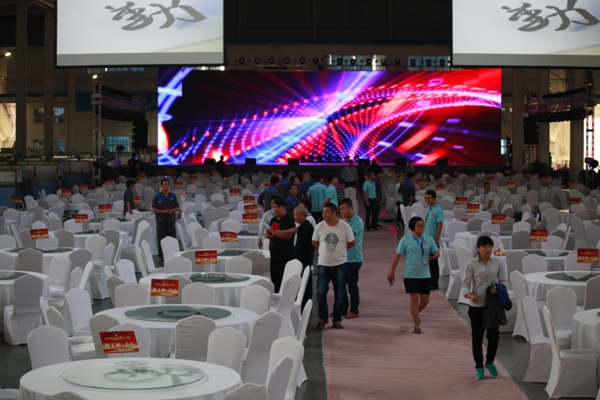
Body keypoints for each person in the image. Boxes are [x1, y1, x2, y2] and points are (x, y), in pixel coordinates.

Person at [462, 235, 506, 379]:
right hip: (476, 306)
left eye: (490, 246)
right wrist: (469, 295)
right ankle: (479, 367)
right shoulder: (472, 264)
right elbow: (465, 283)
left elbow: (503, 281)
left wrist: (497, 289)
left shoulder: (498, 263)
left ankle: (490, 361)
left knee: (494, 336)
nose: (488, 249)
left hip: (492, 306)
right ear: (478, 248)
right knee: (477, 337)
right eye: (484, 247)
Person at [387, 216, 439, 334]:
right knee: (414, 299)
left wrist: (435, 255)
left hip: (425, 274)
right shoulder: (405, 240)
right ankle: (416, 325)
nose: (422, 228)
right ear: (412, 227)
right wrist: (392, 272)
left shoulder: (428, 238)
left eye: (423, 225)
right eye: (419, 226)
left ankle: (414, 313)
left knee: (425, 300)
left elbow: (436, 252)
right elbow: (397, 256)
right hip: (410, 274)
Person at [312, 203, 355, 330]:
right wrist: (325, 249)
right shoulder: (319, 226)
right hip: (323, 265)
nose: (324, 214)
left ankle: (337, 319)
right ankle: (323, 318)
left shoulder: (344, 226)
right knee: (320, 292)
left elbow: (351, 242)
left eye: (327, 212)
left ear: (334, 213)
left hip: (340, 265)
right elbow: (314, 241)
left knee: (340, 294)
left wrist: (339, 251)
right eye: (323, 212)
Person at [264, 198, 296, 292]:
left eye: (278, 207)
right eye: (274, 207)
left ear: (284, 208)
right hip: (274, 254)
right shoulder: (273, 219)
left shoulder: (288, 220)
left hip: (284, 255)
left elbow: (288, 236)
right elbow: (269, 232)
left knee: (284, 279)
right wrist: (267, 235)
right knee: (275, 279)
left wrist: (274, 233)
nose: (275, 209)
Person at [339, 198, 363, 319]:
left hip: (354, 259)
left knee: (352, 285)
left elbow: (348, 236)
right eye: (340, 209)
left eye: (344, 209)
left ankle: (354, 310)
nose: (342, 211)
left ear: (350, 208)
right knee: (341, 285)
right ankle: (343, 309)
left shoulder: (357, 221)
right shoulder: (344, 221)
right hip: (343, 258)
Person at [291, 205, 315, 308]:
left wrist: (278, 232)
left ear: (302, 215)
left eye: (295, 215)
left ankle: (306, 300)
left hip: (305, 258)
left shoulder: (307, 226)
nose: (294, 217)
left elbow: (294, 231)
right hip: (300, 257)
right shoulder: (303, 226)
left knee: (306, 279)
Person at [152, 178, 180, 262]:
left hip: (171, 220)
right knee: (161, 239)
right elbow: (154, 209)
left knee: (173, 238)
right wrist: (163, 212)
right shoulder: (157, 196)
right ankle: (162, 257)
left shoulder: (173, 196)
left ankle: (174, 255)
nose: (166, 186)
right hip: (161, 221)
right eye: (164, 184)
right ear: (161, 186)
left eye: (167, 184)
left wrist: (171, 211)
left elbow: (177, 207)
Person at [424, 190, 443, 290]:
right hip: (428, 239)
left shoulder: (438, 210)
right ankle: (430, 280)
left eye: (429, 198)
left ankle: (434, 283)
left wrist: (436, 239)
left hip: (434, 240)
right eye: (426, 198)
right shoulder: (429, 209)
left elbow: (440, 225)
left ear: (434, 198)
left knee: (433, 262)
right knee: (429, 262)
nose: (427, 200)